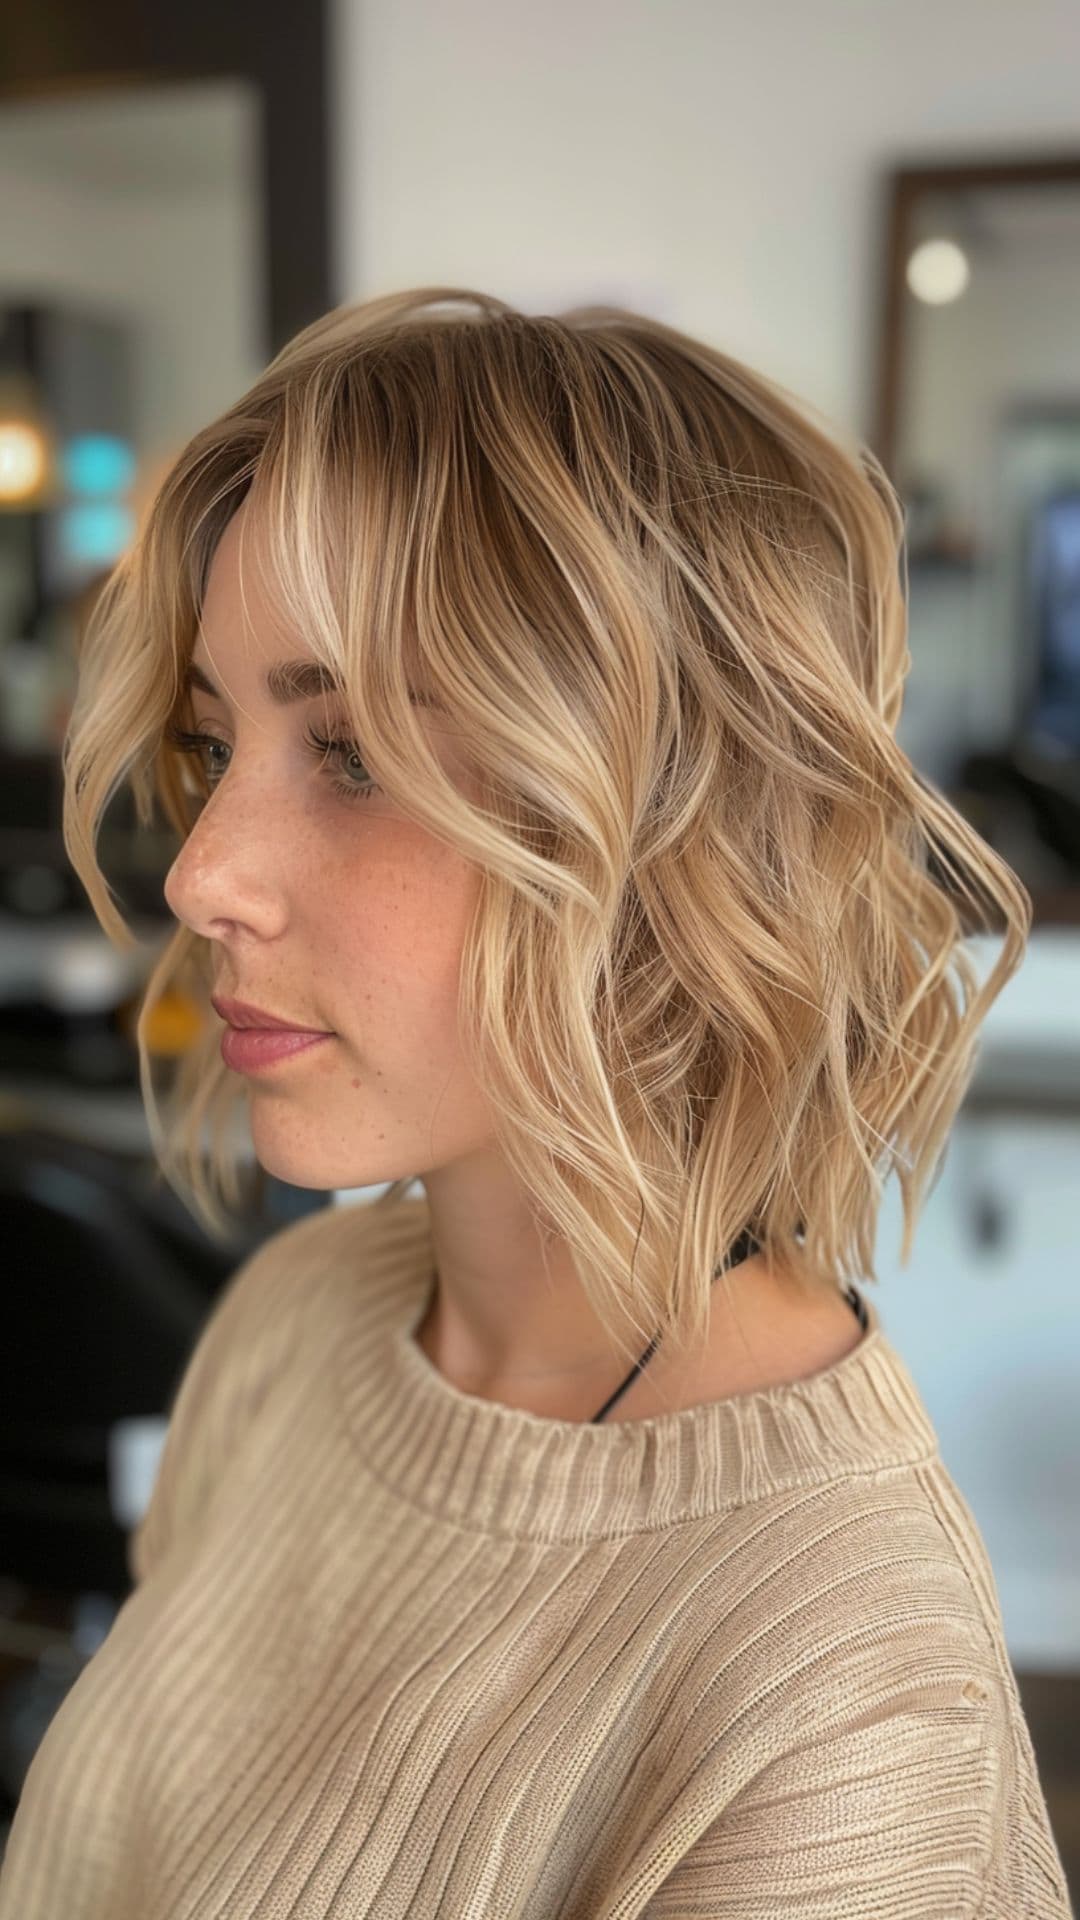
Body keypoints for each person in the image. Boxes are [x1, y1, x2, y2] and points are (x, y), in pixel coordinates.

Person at [1, 286, 1070, 1916]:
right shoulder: (296, 1324)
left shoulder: (846, 1708)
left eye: (353, 754)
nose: (206, 872)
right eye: (218, 749)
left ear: (677, 829)